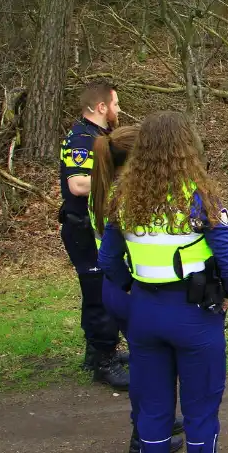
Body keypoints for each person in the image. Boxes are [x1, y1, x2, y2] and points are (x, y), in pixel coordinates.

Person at [98, 111, 228, 453]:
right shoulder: (199, 197)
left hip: (145, 314)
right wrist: (226, 294)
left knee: (153, 411)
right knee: (200, 412)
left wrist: (133, 286)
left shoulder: (124, 198)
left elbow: (108, 260)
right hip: (195, 315)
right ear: (187, 148)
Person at [89, 126, 185, 453]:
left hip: (114, 287)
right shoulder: (127, 195)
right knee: (149, 368)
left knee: (150, 362)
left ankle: (156, 422)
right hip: (129, 287)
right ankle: (141, 435)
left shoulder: (105, 189)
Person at [58, 78, 128, 389]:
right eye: (114, 104)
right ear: (101, 107)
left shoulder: (99, 135)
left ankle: (96, 352)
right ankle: (105, 362)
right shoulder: (82, 139)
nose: (118, 109)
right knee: (100, 294)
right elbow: (77, 183)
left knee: (96, 292)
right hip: (82, 229)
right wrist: (118, 182)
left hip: (90, 227)